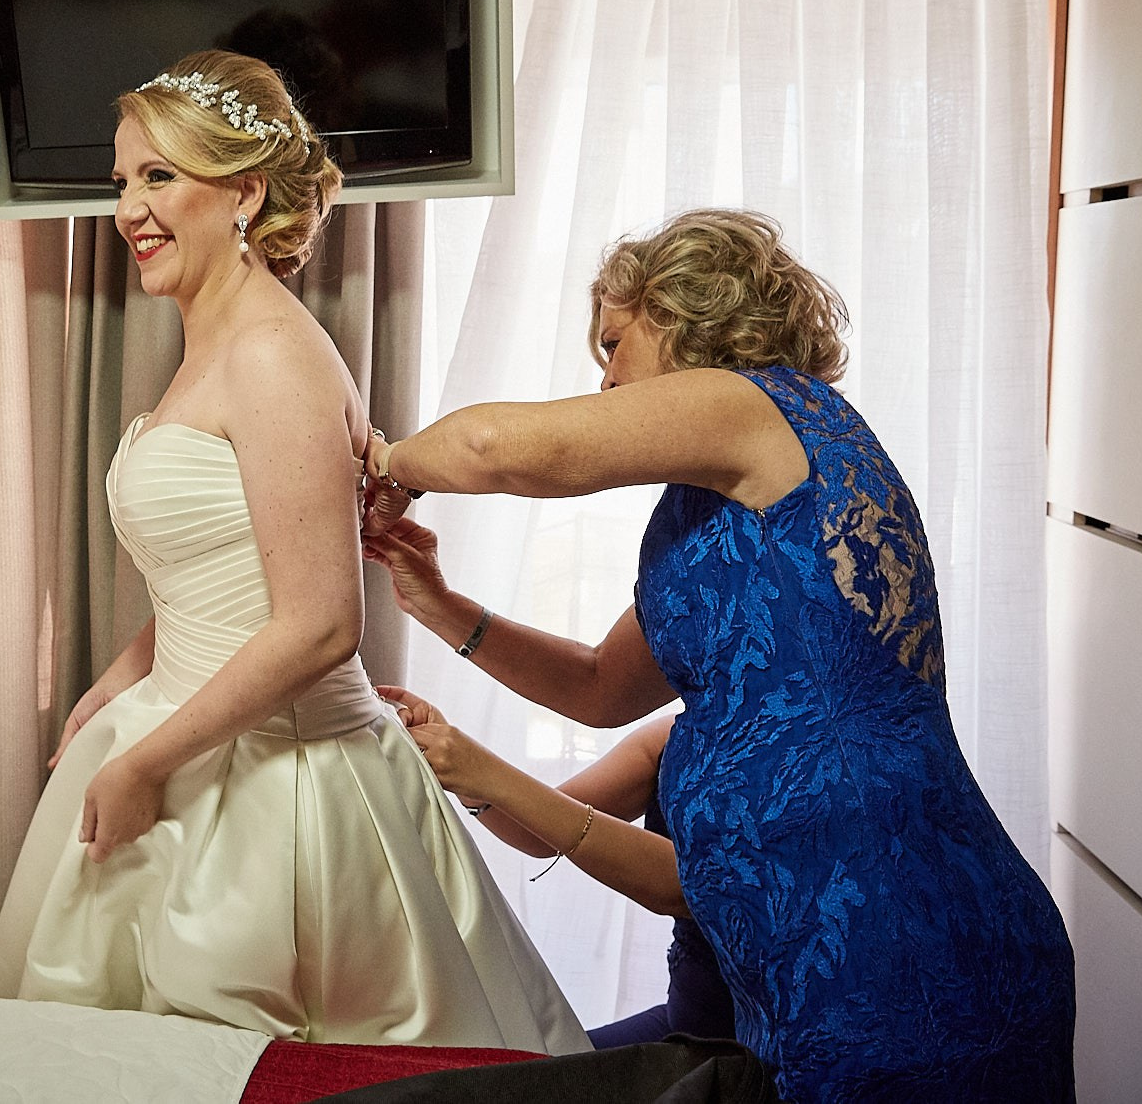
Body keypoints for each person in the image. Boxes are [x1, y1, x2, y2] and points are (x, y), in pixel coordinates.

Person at [360, 209, 1076, 1102]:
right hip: (795, 970)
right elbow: (598, 685)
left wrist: (383, 462)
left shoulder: (758, 402)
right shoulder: (717, 505)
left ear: (684, 312)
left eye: (615, 341)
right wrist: (440, 604)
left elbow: (501, 447)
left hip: (903, 944)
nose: (607, 374)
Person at [0, 50, 586, 1054]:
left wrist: (147, 761)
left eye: (159, 177)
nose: (128, 207)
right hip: (192, 732)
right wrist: (118, 683)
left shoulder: (268, 352)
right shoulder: (211, 343)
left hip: (282, 786)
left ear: (244, 192)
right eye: (121, 180)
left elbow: (318, 624)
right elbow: (217, 573)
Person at [370, 691, 739, 1050]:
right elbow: (540, 835)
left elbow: (690, 888)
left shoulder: (786, 766)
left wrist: (485, 772)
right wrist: (470, 781)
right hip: (688, 1020)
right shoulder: (675, 736)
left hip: (755, 1048)